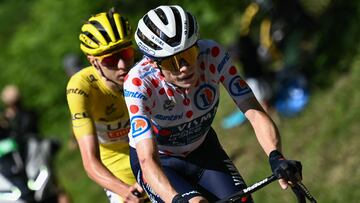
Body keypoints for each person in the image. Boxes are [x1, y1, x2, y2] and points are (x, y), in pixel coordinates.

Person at [123, 5, 303, 203]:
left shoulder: (213, 54)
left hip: (203, 150)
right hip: (162, 161)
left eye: (189, 54)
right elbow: (147, 159)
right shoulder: (139, 83)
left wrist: (276, 156)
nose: (184, 67)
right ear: (154, 63)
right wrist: (177, 200)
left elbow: (253, 110)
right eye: (171, 63)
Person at [66, 8, 145, 203]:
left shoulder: (143, 65)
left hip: (157, 152)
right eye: (110, 59)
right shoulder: (81, 88)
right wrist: (125, 191)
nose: (121, 65)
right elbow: (90, 161)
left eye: (126, 53)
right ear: (92, 61)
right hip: (116, 166)